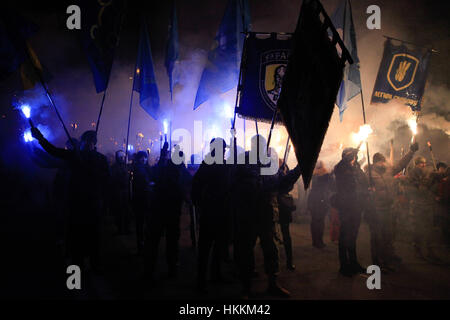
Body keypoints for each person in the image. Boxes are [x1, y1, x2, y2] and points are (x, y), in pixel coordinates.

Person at [31, 128, 109, 272]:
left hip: (93, 205)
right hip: (76, 205)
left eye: (90, 142)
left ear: (94, 143)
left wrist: (88, 168)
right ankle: (76, 273)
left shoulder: (100, 159)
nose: (86, 144)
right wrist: (40, 138)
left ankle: (95, 266)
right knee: (76, 240)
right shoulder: (74, 156)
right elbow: (53, 151)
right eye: (85, 141)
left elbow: (106, 180)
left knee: (94, 239)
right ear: (82, 143)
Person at [232, 135, 301, 298]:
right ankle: (246, 287)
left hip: (267, 213)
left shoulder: (269, 163)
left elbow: (282, 184)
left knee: (271, 249)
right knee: (246, 251)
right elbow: (236, 183)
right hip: (248, 213)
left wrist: (299, 169)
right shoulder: (243, 161)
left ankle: (273, 283)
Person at [367, 142, 418, 271]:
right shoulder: (369, 174)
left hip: (389, 208)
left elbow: (401, 164)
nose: (383, 163)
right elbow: (361, 188)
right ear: (375, 162)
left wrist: (411, 152)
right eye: (380, 161)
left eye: (383, 161)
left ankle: (388, 257)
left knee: (389, 235)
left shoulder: (388, 171)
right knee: (377, 237)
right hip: (376, 210)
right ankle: (378, 262)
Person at [144, 142, 190, 282]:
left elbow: (152, 175)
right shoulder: (180, 171)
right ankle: (171, 269)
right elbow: (187, 186)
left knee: (154, 241)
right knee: (170, 242)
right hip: (170, 211)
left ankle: (150, 270)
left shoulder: (164, 169)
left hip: (160, 210)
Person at [192, 138, 232, 292]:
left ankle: (215, 274)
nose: (224, 151)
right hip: (211, 212)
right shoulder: (208, 164)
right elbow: (197, 185)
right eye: (222, 148)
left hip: (221, 211)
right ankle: (201, 281)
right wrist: (200, 204)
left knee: (218, 247)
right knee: (205, 248)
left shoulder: (222, 164)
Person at [334, 147, 368, 277]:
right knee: (344, 237)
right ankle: (344, 266)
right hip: (346, 206)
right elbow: (344, 177)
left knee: (353, 236)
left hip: (357, 206)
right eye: (353, 155)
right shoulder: (341, 168)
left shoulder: (356, 168)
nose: (355, 157)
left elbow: (362, 182)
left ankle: (354, 263)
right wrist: (352, 152)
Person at [406, 156, 437, 261]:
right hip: (417, 206)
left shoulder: (429, 173)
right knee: (418, 229)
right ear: (416, 164)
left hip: (427, 204)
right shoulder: (412, 175)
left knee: (429, 229)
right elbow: (410, 189)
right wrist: (419, 187)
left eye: (424, 163)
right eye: (421, 164)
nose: (423, 165)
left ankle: (430, 250)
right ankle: (417, 249)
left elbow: (434, 182)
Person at [307, 160, 333, 249]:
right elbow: (331, 184)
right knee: (320, 222)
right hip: (321, 201)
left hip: (313, 200)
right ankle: (319, 241)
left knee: (314, 221)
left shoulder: (314, 175)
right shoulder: (325, 175)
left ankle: (315, 241)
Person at [277, 160, 298, 270]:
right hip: (271, 204)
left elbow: (289, 184)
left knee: (286, 234)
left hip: (283, 205)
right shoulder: (267, 169)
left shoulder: (285, 168)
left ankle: (289, 261)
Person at [131, 151, 152, 255]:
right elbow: (143, 182)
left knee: (145, 223)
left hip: (146, 199)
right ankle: (141, 244)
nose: (144, 159)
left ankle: (143, 243)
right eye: (142, 157)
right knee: (140, 223)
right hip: (140, 199)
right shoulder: (137, 169)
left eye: (145, 157)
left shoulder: (146, 168)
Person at [111, 150, 130, 235]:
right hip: (118, 191)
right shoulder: (114, 167)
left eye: (123, 157)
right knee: (119, 211)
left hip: (125, 190)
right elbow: (113, 178)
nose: (122, 158)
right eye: (120, 157)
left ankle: (126, 227)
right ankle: (120, 228)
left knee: (126, 210)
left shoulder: (125, 166)